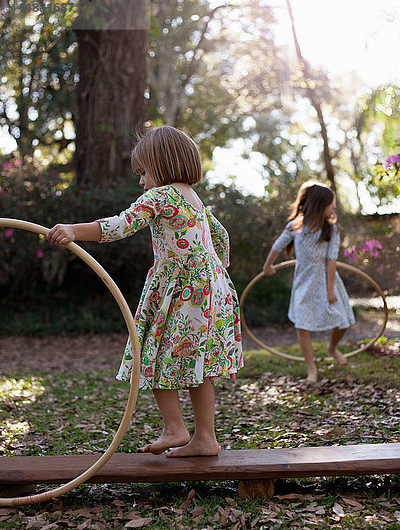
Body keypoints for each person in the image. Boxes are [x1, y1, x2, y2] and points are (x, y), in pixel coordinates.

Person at [47, 126, 243, 457]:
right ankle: (206, 438)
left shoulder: (161, 196)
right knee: (195, 364)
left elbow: (121, 224)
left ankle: (175, 428)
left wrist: (73, 231)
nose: (141, 181)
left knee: (153, 353)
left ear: (162, 164)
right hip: (211, 293)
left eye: (143, 172)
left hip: (182, 292)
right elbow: (221, 237)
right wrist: (213, 274)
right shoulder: (195, 200)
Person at [262, 181, 355, 383]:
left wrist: (330, 289)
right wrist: (268, 265)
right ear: (319, 205)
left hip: (326, 279)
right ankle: (311, 369)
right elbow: (277, 246)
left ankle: (332, 348)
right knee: (302, 326)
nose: (334, 208)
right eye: (331, 204)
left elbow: (331, 261)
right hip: (304, 282)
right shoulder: (295, 226)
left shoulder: (331, 230)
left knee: (343, 319)